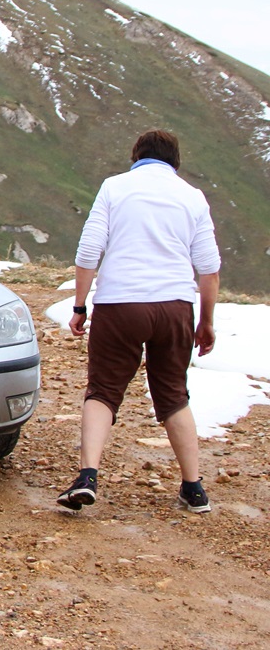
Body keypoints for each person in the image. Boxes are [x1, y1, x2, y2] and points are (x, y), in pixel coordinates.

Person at [58, 129, 221, 515]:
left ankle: (88, 477)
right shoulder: (192, 197)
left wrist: (80, 305)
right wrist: (206, 321)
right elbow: (209, 270)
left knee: (103, 391)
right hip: (175, 307)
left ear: (136, 156)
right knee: (173, 395)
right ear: (175, 162)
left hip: (121, 304)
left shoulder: (115, 187)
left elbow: (89, 249)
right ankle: (193, 488)